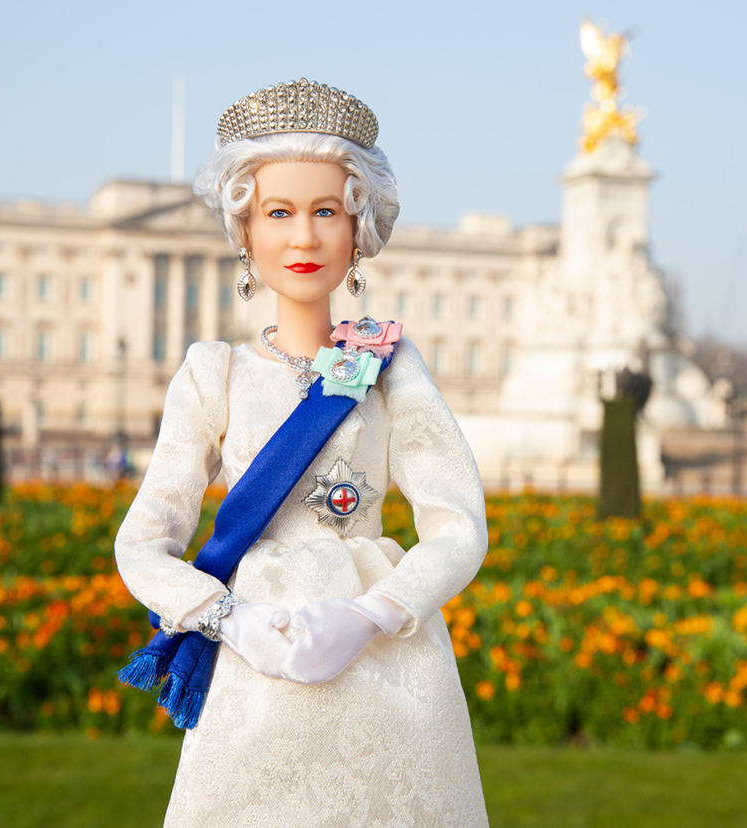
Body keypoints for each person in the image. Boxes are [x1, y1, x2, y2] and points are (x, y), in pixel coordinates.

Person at [114, 79, 490, 826]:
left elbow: (459, 526)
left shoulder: (388, 367)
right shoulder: (213, 374)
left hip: (387, 670)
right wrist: (227, 618)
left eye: (327, 212)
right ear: (244, 230)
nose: (304, 237)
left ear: (359, 229)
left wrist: (375, 612)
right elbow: (143, 544)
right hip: (259, 671)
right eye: (278, 213)